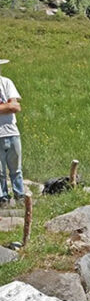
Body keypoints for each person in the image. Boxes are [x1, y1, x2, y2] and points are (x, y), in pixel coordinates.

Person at [0, 58, 24, 207]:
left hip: (11, 131)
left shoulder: (6, 82)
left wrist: (9, 106)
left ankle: (20, 196)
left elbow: (16, 107)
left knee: (16, 168)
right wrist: (7, 106)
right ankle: (3, 198)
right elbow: (11, 105)